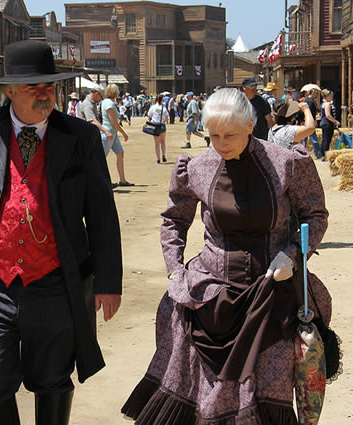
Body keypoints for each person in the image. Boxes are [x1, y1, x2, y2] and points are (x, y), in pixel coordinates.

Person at [0, 40, 122, 425]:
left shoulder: (81, 137)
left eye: (50, 85)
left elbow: (102, 215)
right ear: (10, 91)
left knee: (52, 381)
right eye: (34, 86)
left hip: (55, 282)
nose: (45, 93)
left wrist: (108, 281)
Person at [121, 88, 331, 424]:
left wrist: (292, 254)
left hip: (273, 294)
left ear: (251, 124)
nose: (221, 143)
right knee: (211, 393)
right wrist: (175, 268)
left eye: (230, 134)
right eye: (214, 135)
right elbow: (174, 219)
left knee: (271, 390)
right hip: (212, 297)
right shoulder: (198, 166)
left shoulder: (287, 163)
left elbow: (315, 215)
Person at [100, 84, 132, 186]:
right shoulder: (110, 103)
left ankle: (122, 180)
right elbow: (114, 122)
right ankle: (104, 182)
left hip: (112, 133)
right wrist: (124, 133)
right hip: (109, 133)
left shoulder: (106, 102)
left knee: (120, 153)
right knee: (101, 159)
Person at [147, 94, 169, 164]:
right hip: (162, 125)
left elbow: (149, 117)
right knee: (163, 142)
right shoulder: (164, 108)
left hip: (155, 125)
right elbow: (166, 118)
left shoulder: (153, 107)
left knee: (157, 144)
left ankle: (158, 159)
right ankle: (163, 154)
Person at [319, 89, 340, 160]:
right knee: (327, 139)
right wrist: (335, 121)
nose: (331, 97)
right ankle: (325, 155)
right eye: (330, 96)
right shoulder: (327, 104)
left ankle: (323, 155)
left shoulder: (324, 103)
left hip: (325, 123)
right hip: (327, 123)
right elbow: (328, 115)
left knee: (325, 139)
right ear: (327, 96)